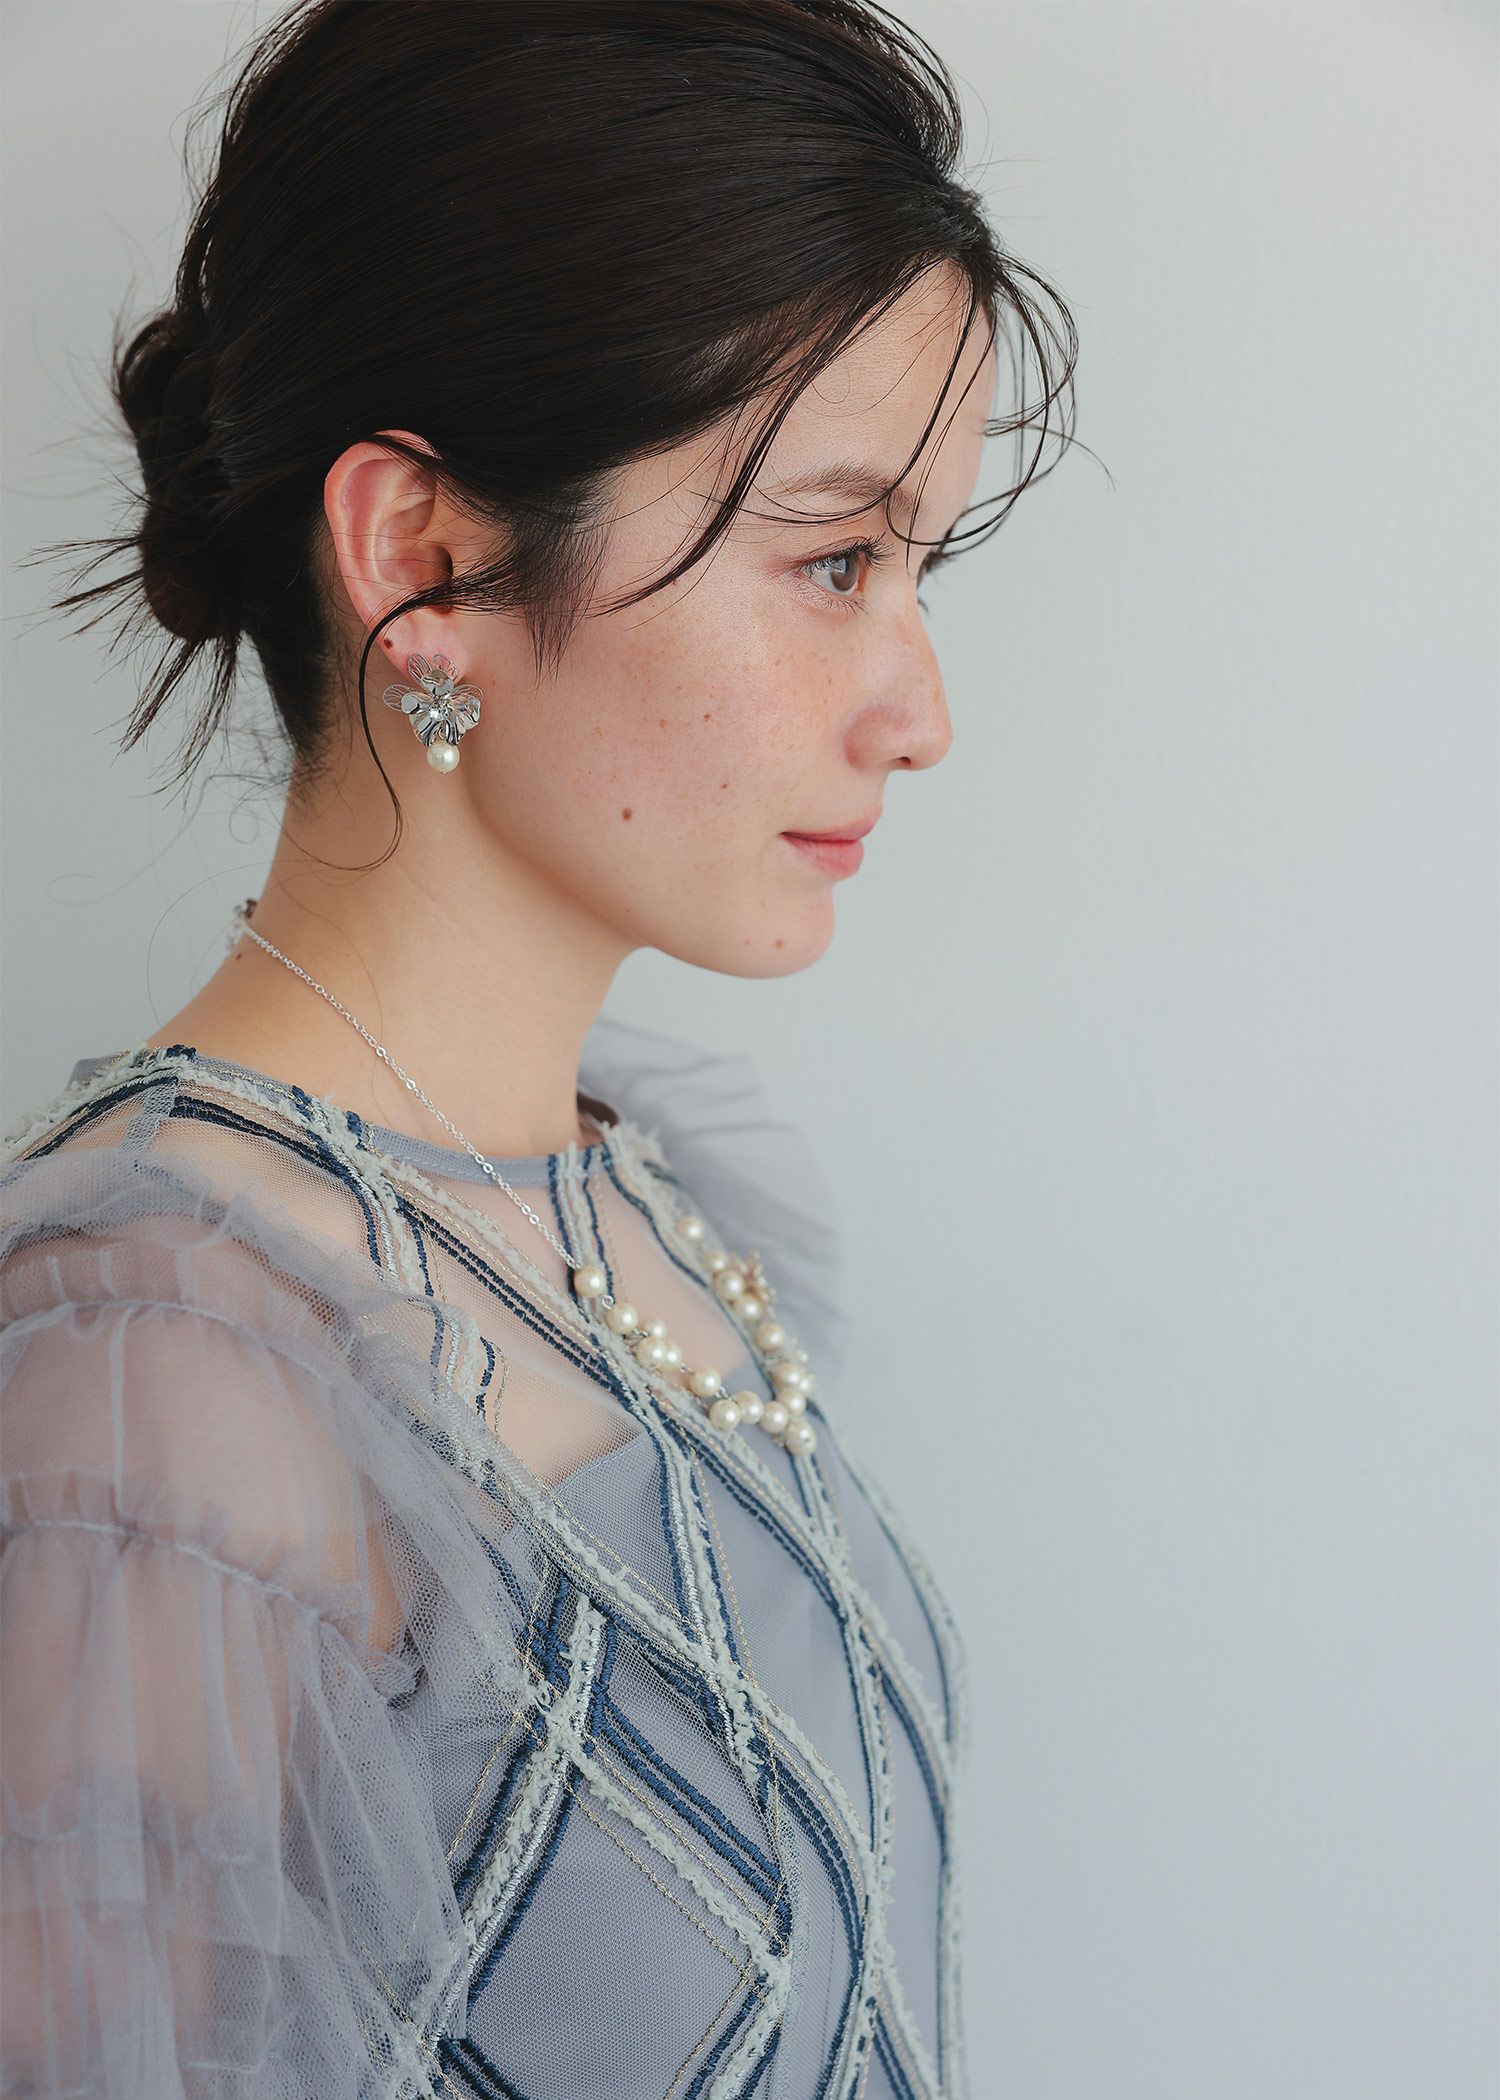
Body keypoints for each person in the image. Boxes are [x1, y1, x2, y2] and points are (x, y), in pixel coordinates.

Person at [0, 2, 1077, 2093]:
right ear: (424, 556)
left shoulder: (640, 1192)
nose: (919, 710)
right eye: (832, 560)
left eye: (916, 566)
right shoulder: (170, 1374)